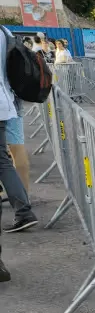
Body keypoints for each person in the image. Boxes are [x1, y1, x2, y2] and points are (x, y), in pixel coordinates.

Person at [0, 30, 40, 282]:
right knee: (5, 160)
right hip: (6, 102)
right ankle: (23, 208)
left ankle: (23, 209)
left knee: (6, 160)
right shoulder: (4, 32)